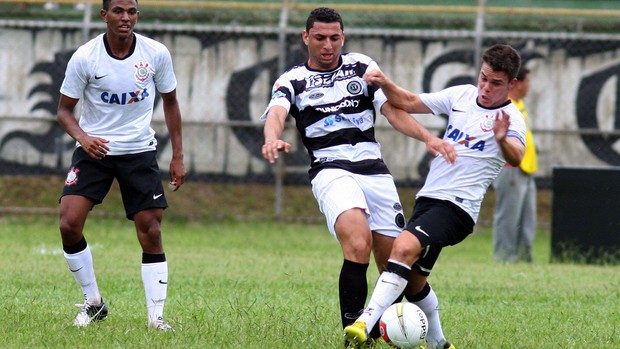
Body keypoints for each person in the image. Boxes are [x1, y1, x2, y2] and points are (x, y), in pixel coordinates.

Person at [260, 7, 456, 348]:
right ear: (305, 37)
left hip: (375, 172)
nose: (328, 45)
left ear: (343, 37)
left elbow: (392, 111)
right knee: (357, 242)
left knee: (396, 264)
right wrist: (271, 137)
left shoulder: (362, 67)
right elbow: (276, 112)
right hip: (331, 170)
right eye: (320, 38)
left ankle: (389, 331)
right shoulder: (291, 80)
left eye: (335, 38)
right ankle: (354, 334)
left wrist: (428, 137)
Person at [343, 44, 526, 349]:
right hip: (429, 200)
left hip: (457, 208)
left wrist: (501, 139)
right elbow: (409, 101)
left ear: (511, 85)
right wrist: (385, 83)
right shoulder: (462, 96)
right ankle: (441, 344)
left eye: (496, 83)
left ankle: (364, 323)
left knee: (402, 247)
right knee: (414, 280)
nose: (485, 87)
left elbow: (517, 156)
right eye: (483, 78)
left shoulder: (511, 119)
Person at [56, 0, 185, 331]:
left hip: (139, 152)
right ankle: (94, 303)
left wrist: (178, 156)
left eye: (131, 12)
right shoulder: (86, 57)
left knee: (151, 231)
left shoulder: (155, 53)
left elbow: (170, 102)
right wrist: (84, 138)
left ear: (136, 15)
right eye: (118, 11)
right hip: (94, 152)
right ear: (105, 15)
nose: (125, 18)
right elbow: (64, 110)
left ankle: (156, 320)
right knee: (69, 223)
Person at [492, 66, 537, 263]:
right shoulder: (505, 108)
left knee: (528, 220)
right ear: (517, 83)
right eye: (528, 81)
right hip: (511, 170)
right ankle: (503, 259)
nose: (530, 86)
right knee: (508, 218)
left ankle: (523, 258)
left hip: (526, 170)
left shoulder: (520, 104)